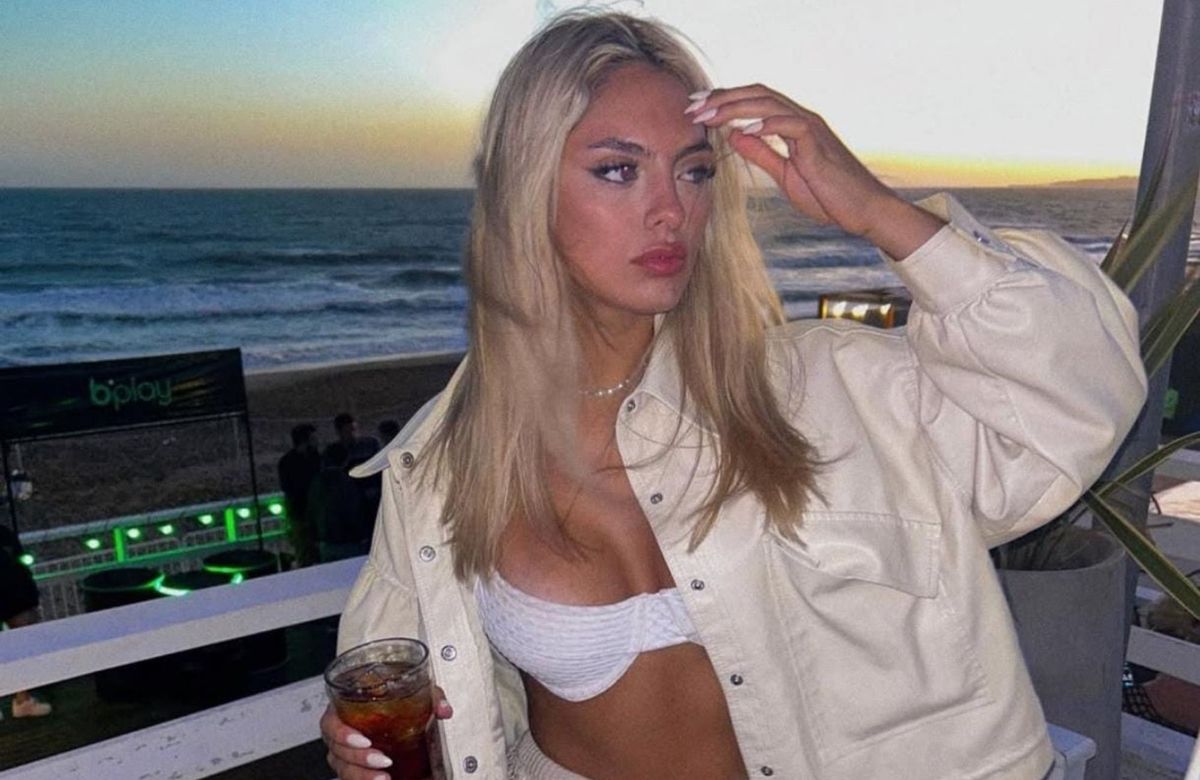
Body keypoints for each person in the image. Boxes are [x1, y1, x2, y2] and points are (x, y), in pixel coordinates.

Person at [322, 11, 1147, 780]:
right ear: (524, 191)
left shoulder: (825, 390)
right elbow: (408, 679)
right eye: (618, 170)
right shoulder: (448, 464)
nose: (670, 210)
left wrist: (877, 212)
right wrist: (357, 746)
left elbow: (1076, 398)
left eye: (695, 171)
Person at [1, 523, 52, 718]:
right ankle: (23, 700)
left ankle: (23, 699)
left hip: (14, 595)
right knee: (22, 647)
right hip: (14, 594)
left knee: (24, 647)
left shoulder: (4, 534)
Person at [307, 443, 371, 563]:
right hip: (349, 541)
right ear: (345, 461)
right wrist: (364, 535)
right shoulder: (348, 482)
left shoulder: (316, 482)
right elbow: (355, 511)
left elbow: (311, 511)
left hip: (326, 541)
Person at [278, 423, 321, 567]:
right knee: (305, 553)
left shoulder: (315, 457)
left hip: (309, 513)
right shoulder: (289, 462)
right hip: (302, 514)